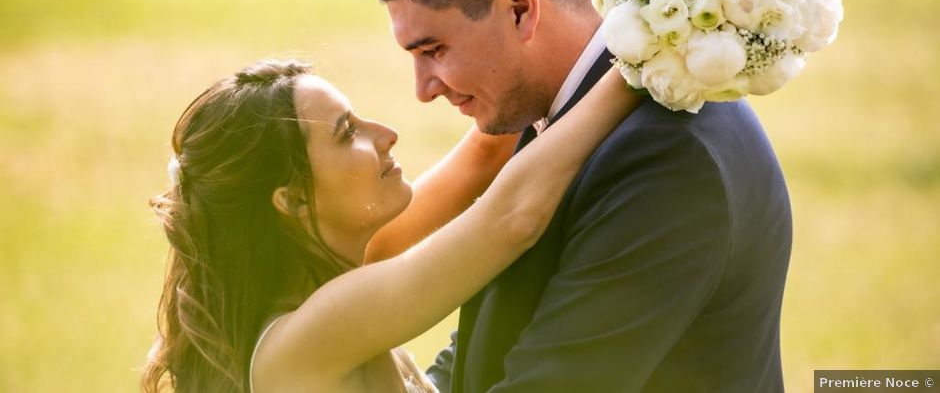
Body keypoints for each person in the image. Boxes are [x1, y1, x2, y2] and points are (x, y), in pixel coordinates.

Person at [376, 0, 793, 392]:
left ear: (520, 8)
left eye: (434, 50)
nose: (424, 88)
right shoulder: (554, 106)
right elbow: (499, 330)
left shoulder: (666, 162)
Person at [141, 58, 641, 392]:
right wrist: (645, 55)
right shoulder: (302, 339)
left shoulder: (351, 261)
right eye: (347, 133)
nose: (386, 134)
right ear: (292, 200)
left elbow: (489, 149)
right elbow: (512, 219)